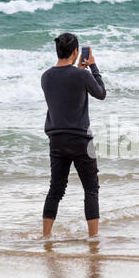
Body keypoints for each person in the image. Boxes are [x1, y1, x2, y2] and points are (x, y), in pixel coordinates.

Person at [41, 33, 106, 238]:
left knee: (56, 190)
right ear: (76, 52)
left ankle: (46, 236)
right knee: (91, 189)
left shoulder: (46, 76)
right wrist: (92, 67)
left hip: (57, 140)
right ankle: (93, 238)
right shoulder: (82, 75)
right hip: (80, 140)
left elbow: (64, 90)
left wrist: (78, 71)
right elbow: (101, 93)